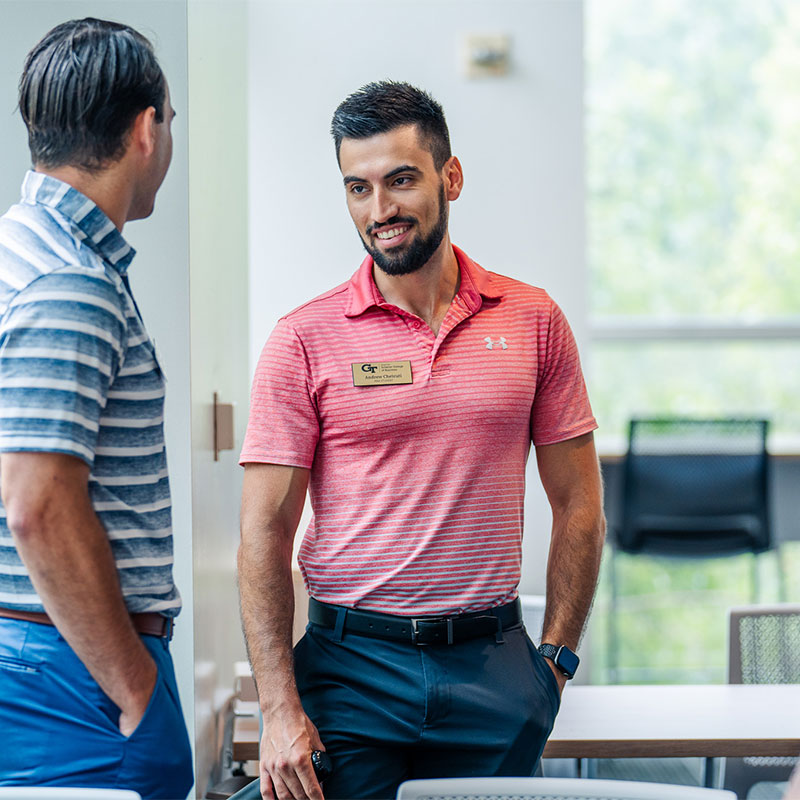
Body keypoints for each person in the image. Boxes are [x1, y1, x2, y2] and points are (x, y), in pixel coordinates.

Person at [238, 80, 606, 800]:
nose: (380, 211)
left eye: (400, 181)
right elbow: (263, 531)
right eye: (358, 188)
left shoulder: (533, 321)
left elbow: (581, 505)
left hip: (494, 666)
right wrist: (280, 707)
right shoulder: (303, 340)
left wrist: (553, 661)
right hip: (349, 671)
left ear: (451, 177)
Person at [0, 18, 193, 799]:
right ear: (146, 129)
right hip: (75, 681)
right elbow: (38, 503)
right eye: (170, 120)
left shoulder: (22, 248)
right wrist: (135, 686)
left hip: (45, 664)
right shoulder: (69, 281)